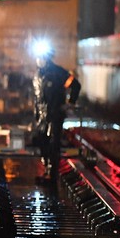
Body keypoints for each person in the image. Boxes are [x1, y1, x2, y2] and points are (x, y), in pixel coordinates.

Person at [32, 46, 81, 181]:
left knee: (54, 145)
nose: (38, 60)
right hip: (42, 118)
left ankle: (52, 175)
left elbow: (75, 85)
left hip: (55, 115)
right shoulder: (37, 75)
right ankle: (47, 169)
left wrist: (70, 103)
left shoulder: (59, 73)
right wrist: (36, 115)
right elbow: (36, 98)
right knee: (43, 143)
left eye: (41, 57)